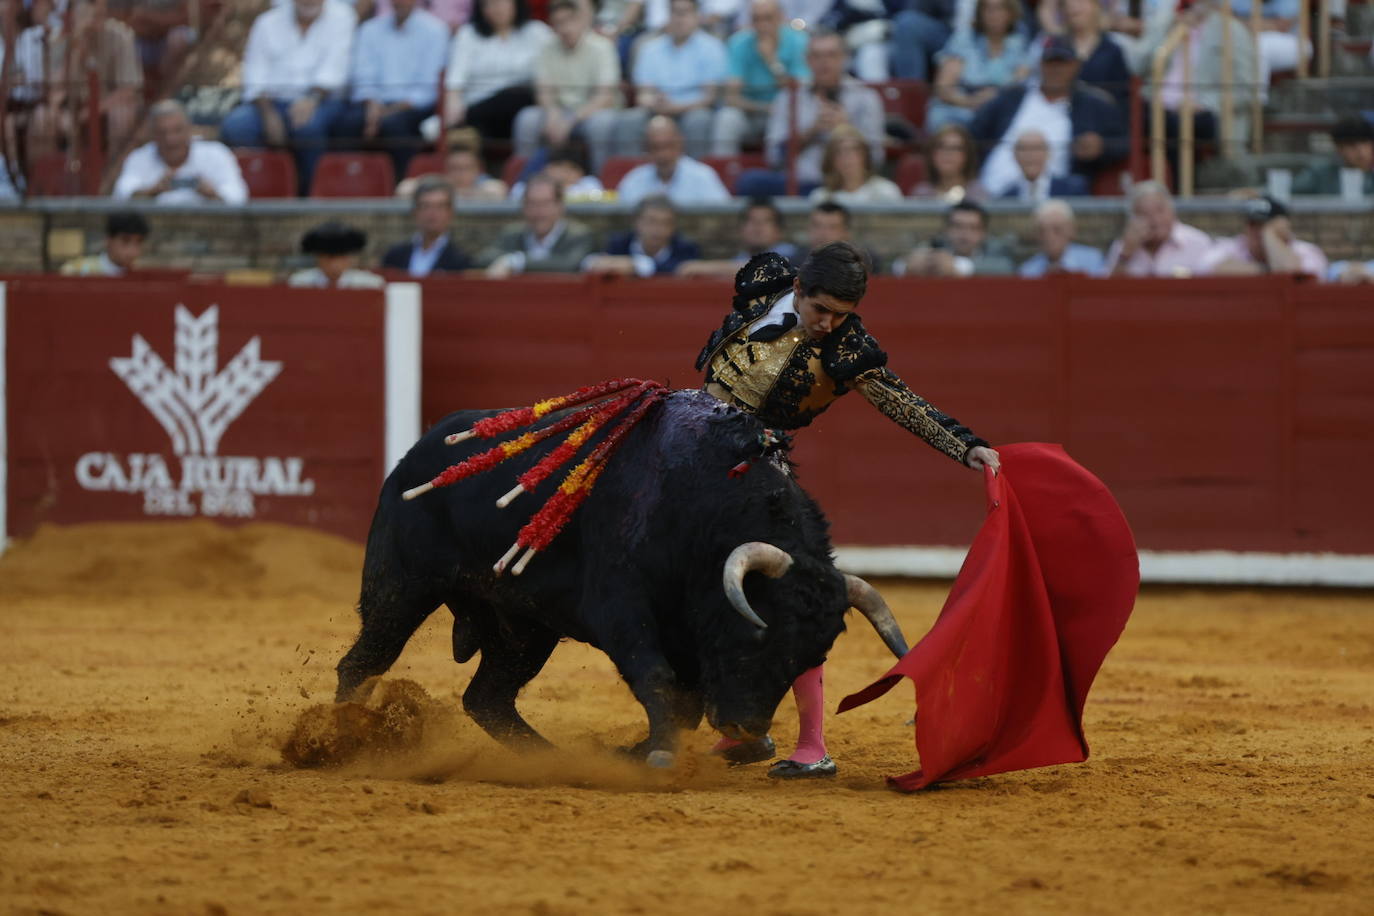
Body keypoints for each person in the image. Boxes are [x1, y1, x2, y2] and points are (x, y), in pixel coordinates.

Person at [696, 241, 1000, 778]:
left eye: (843, 315)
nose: (829, 324)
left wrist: (965, 446)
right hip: (690, 447)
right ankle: (741, 729)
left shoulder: (848, 350)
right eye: (821, 311)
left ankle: (812, 745)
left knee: (796, 599)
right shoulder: (764, 279)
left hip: (757, 474)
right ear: (798, 290)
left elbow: (902, 402)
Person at [219, 0, 356, 195]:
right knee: (236, 126)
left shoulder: (343, 16)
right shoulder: (267, 22)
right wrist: (268, 115)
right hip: (271, 103)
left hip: (322, 101)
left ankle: (310, 195)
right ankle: (261, 190)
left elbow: (336, 70)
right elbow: (255, 74)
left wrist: (311, 100)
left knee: (307, 128)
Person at [971, 35, 1127, 198]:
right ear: (1040, 65)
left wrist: (1102, 147)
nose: (1055, 69)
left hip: (1055, 200)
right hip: (990, 194)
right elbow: (974, 133)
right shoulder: (1012, 96)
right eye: (1050, 62)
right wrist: (971, 177)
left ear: (1076, 65)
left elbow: (1125, 141)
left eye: (1062, 63)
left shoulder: (1093, 104)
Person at [740, 29, 883, 197]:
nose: (824, 62)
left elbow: (876, 157)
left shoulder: (865, 96)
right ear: (807, 60)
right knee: (750, 182)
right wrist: (811, 132)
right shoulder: (789, 96)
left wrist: (846, 130)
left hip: (849, 185)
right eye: (817, 56)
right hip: (802, 183)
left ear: (844, 58)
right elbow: (774, 157)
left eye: (831, 55)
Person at [331, 0, 448, 179]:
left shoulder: (435, 30)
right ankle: (347, 183)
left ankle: (401, 185)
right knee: (346, 123)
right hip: (374, 103)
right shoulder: (370, 29)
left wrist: (388, 112)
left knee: (395, 127)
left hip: (413, 107)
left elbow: (429, 88)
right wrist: (373, 105)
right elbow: (363, 75)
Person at [512, 0, 621, 173]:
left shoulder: (602, 47)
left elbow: (604, 97)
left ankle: (601, 179)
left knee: (601, 124)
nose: (565, 28)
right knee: (527, 119)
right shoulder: (546, 48)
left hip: (591, 113)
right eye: (559, 23)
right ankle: (524, 179)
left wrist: (570, 121)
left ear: (581, 20)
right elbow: (543, 89)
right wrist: (552, 114)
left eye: (569, 21)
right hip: (560, 111)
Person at [29, 0, 143, 160]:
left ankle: (114, 177)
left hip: (107, 105)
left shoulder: (121, 35)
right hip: (71, 106)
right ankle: (45, 179)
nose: (95, 20)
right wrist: (75, 45)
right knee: (41, 118)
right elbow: (54, 90)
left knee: (121, 115)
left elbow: (127, 91)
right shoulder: (58, 39)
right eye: (92, 15)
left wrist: (85, 115)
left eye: (100, 14)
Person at [616, 0, 728, 159]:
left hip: (693, 110)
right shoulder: (650, 48)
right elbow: (643, 94)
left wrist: (676, 107)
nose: (679, 19)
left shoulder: (712, 47)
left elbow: (709, 97)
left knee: (699, 120)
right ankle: (633, 176)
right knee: (629, 121)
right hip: (656, 110)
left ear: (697, 16)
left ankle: (694, 175)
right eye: (674, 13)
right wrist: (654, 103)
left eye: (684, 13)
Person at [440, 0, 552, 143]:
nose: (496, 9)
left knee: (519, 98)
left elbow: (551, 70)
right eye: (489, 4)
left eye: (502, 3)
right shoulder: (468, 35)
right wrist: (452, 112)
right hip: (480, 108)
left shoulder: (537, 32)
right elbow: (455, 82)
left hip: (523, 107)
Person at [711, 0, 810, 157]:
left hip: (786, 114)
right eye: (756, 19)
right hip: (751, 113)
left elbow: (800, 92)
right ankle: (724, 173)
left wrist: (772, 61)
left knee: (793, 120)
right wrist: (765, 108)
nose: (762, 25)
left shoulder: (799, 41)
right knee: (727, 118)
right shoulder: (738, 43)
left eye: (768, 18)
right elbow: (732, 98)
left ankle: (778, 171)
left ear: (780, 18)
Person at [112, 100, 248, 205]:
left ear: (189, 130)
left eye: (177, 131)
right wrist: (151, 191)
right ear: (152, 135)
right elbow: (121, 195)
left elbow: (239, 197)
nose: (170, 139)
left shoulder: (216, 154)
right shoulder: (139, 157)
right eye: (162, 132)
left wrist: (211, 194)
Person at [925, 0, 1031, 132]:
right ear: (979, 13)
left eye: (999, 9)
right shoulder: (964, 39)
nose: (993, 14)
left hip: (999, 111)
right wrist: (971, 101)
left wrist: (994, 98)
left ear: (1011, 13)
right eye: (988, 9)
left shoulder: (1019, 44)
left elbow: (1019, 85)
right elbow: (943, 89)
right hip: (961, 108)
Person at [477, 173, 598, 275]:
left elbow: (570, 263)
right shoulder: (513, 233)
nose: (538, 211)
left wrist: (516, 262)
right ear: (523, 207)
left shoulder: (578, 235)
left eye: (545, 203)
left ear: (560, 206)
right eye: (532, 204)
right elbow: (483, 259)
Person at [1029, 0, 1131, 109]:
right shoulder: (1053, 46)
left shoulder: (1113, 49)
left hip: (1099, 117)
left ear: (1095, 7)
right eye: (1067, 4)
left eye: (1080, 2)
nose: (1074, 7)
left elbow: (1122, 95)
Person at [1103, 180, 1213, 276]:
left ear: (1172, 210)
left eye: (1160, 211)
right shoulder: (1122, 247)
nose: (1155, 220)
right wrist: (1126, 255)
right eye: (1144, 214)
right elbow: (1108, 292)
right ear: (1133, 220)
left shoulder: (1198, 242)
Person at [615, 115, 731, 207]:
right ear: (646, 150)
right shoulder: (633, 180)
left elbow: (723, 216)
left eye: (668, 146)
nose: (663, 154)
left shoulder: (703, 176)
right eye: (655, 147)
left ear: (680, 143)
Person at [1200, 195, 1328, 277]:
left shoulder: (1306, 251)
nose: (1257, 231)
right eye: (1252, 224)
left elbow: (1296, 274)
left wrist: (1271, 236)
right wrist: (1268, 270)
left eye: (1263, 225)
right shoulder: (1230, 246)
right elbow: (1206, 267)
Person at [677, 196, 801, 276]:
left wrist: (703, 268)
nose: (758, 227)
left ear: (778, 231)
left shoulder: (794, 256)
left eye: (766, 221)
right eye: (751, 221)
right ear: (741, 229)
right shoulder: (737, 260)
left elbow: (769, 270)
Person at [585, 195, 703, 276]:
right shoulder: (619, 244)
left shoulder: (686, 249)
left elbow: (679, 269)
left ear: (674, 226)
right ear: (636, 222)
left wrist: (637, 265)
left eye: (666, 223)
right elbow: (593, 264)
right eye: (651, 221)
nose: (658, 229)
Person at [896, 199, 1016, 276]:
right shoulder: (937, 245)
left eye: (973, 228)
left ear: (983, 233)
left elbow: (1006, 268)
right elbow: (900, 265)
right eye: (958, 226)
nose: (964, 234)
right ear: (946, 230)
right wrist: (908, 266)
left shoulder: (996, 248)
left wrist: (957, 267)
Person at [380, 179, 474, 277]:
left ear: (450, 212)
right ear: (415, 211)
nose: (432, 213)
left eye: (440, 206)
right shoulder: (395, 256)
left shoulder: (461, 260)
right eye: (426, 206)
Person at [395, 134, 509, 201]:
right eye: (455, 168)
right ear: (446, 169)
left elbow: (499, 191)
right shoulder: (441, 184)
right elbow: (404, 189)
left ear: (477, 170)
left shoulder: (484, 184)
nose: (460, 174)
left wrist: (468, 193)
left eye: (466, 168)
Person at [809, 124, 903, 205]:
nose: (847, 158)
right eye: (839, 152)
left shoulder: (886, 192)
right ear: (831, 159)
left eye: (853, 150)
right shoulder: (821, 198)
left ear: (865, 155)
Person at [1019, 198, 1105, 276]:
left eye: (1057, 230)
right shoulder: (1028, 270)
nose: (1049, 237)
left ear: (1071, 231)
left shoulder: (1092, 260)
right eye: (1042, 231)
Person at [998, 129, 1090, 200]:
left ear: (1048, 153)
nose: (1030, 155)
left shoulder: (1072, 189)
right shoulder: (1006, 197)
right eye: (1023, 149)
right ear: (1014, 155)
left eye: (1036, 148)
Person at [1292, 117, 1374, 198]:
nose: (1361, 152)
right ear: (1338, 148)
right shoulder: (1320, 175)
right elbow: (1290, 193)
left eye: (1365, 144)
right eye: (1352, 146)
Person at [288, 220, 386, 288]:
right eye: (329, 258)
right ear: (318, 258)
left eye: (340, 257)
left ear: (349, 259)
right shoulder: (300, 283)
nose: (335, 264)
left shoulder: (369, 284)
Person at [909, 123, 988, 202]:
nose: (947, 153)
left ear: (967, 155)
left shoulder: (977, 194)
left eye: (955, 148)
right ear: (931, 154)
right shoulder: (921, 194)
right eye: (941, 147)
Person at [60, 210, 149, 276]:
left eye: (138, 242)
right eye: (125, 241)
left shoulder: (142, 274)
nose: (132, 250)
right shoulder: (77, 270)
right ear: (109, 240)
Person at [508, 146, 606, 201]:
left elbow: (595, 196)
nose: (564, 173)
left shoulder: (590, 183)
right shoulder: (528, 186)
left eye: (571, 168)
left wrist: (561, 188)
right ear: (546, 169)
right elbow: (517, 192)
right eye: (559, 166)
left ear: (580, 172)